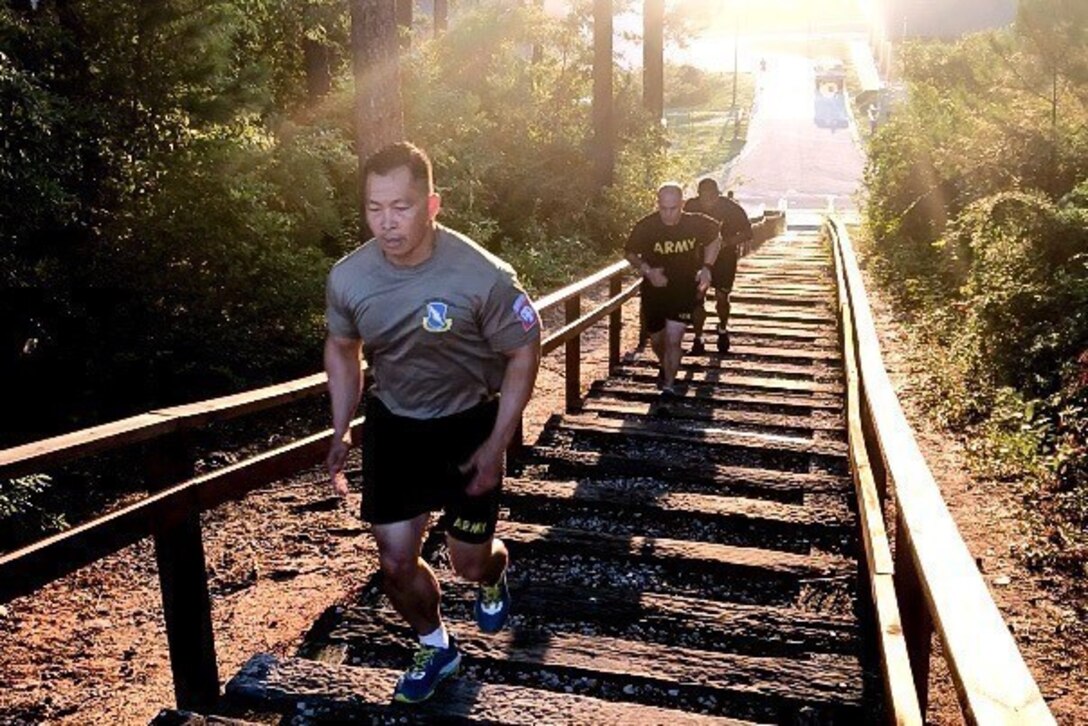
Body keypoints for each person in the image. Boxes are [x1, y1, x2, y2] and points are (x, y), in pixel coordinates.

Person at [324, 142, 542, 704]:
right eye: (375, 207)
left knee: (467, 561)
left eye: (401, 206)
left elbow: (524, 347)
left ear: (432, 205)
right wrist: (341, 426)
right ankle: (436, 645)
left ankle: (493, 574)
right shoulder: (349, 277)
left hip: (469, 425)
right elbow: (343, 347)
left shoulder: (483, 275)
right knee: (395, 561)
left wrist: (498, 443)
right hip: (396, 427)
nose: (387, 222)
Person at [625, 182, 721, 401]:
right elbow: (629, 253)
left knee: (673, 339)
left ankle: (668, 386)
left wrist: (707, 268)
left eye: (673, 208)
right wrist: (648, 271)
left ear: (682, 205)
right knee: (657, 339)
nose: (668, 215)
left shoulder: (696, 223)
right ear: (657, 205)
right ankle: (665, 365)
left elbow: (715, 238)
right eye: (663, 209)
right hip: (655, 290)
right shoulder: (646, 226)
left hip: (683, 288)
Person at [683, 179, 752, 354]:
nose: (708, 200)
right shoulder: (690, 206)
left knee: (722, 297)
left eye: (711, 195)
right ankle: (698, 338)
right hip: (697, 259)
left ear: (717, 194)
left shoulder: (731, 208)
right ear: (698, 194)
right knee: (698, 298)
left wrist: (727, 242)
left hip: (724, 259)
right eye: (704, 196)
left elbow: (748, 232)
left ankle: (722, 328)